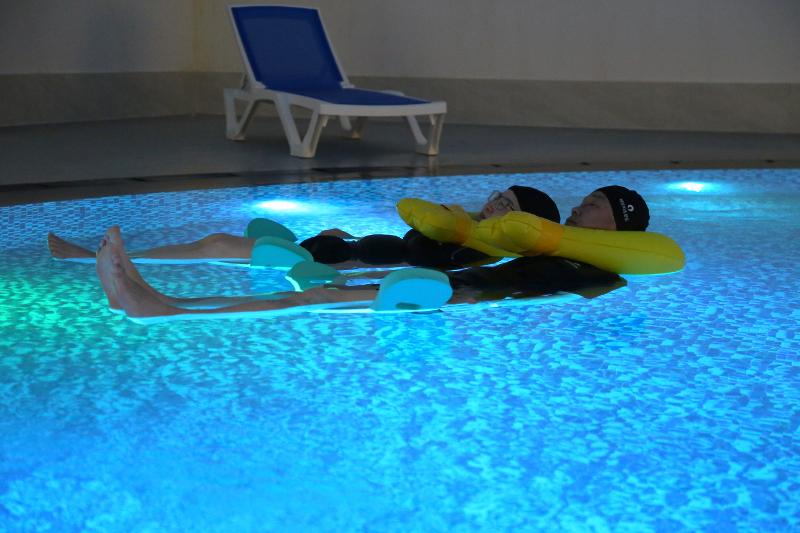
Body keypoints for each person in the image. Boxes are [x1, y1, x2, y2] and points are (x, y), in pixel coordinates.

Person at [94, 185, 650, 322]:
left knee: (316, 292)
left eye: (595, 204)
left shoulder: (609, 269)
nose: (583, 206)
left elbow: (567, 291)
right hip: (463, 291)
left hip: (463, 295)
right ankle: (158, 301)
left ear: (620, 224)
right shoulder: (585, 259)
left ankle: (163, 306)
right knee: (317, 290)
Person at [48, 185, 560, 270]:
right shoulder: (467, 228)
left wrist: (352, 261)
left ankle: (111, 259)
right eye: (500, 193)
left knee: (220, 246)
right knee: (220, 245)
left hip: (345, 259)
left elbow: (425, 263)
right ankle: (116, 258)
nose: (494, 201)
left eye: (506, 203)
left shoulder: (482, 248)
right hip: (347, 248)